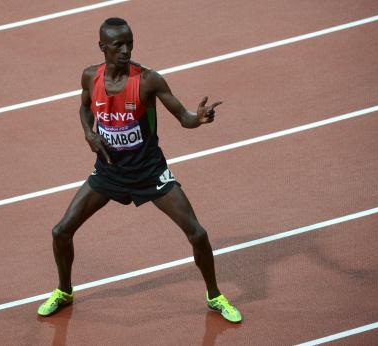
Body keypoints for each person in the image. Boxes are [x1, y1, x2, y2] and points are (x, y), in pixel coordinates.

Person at [38, 17, 241, 323]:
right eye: (118, 44)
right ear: (102, 47)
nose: (126, 49)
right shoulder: (90, 77)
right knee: (61, 231)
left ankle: (214, 296)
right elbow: (83, 106)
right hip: (109, 172)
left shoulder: (148, 80)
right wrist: (89, 133)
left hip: (149, 172)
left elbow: (183, 117)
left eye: (129, 42)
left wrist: (198, 119)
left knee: (197, 234)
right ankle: (64, 291)